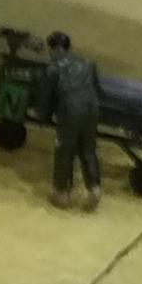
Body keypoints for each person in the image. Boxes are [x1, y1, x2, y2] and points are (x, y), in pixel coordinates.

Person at [41, 30, 102, 210]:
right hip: (92, 108)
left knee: (64, 150)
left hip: (70, 110)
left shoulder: (52, 69)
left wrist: (43, 117)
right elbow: (97, 89)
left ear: (52, 48)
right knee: (88, 149)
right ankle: (95, 189)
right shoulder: (88, 64)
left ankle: (62, 193)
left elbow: (46, 99)